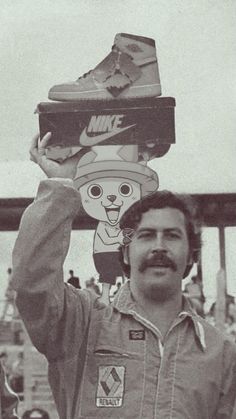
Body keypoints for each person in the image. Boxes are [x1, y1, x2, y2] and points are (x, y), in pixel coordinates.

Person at [11, 133, 236, 419]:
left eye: (172, 235)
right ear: (125, 253)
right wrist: (61, 185)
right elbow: (32, 282)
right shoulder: (83, 323)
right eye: (145, 235)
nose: (159, 246)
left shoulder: (219, 351)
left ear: (192, 254)